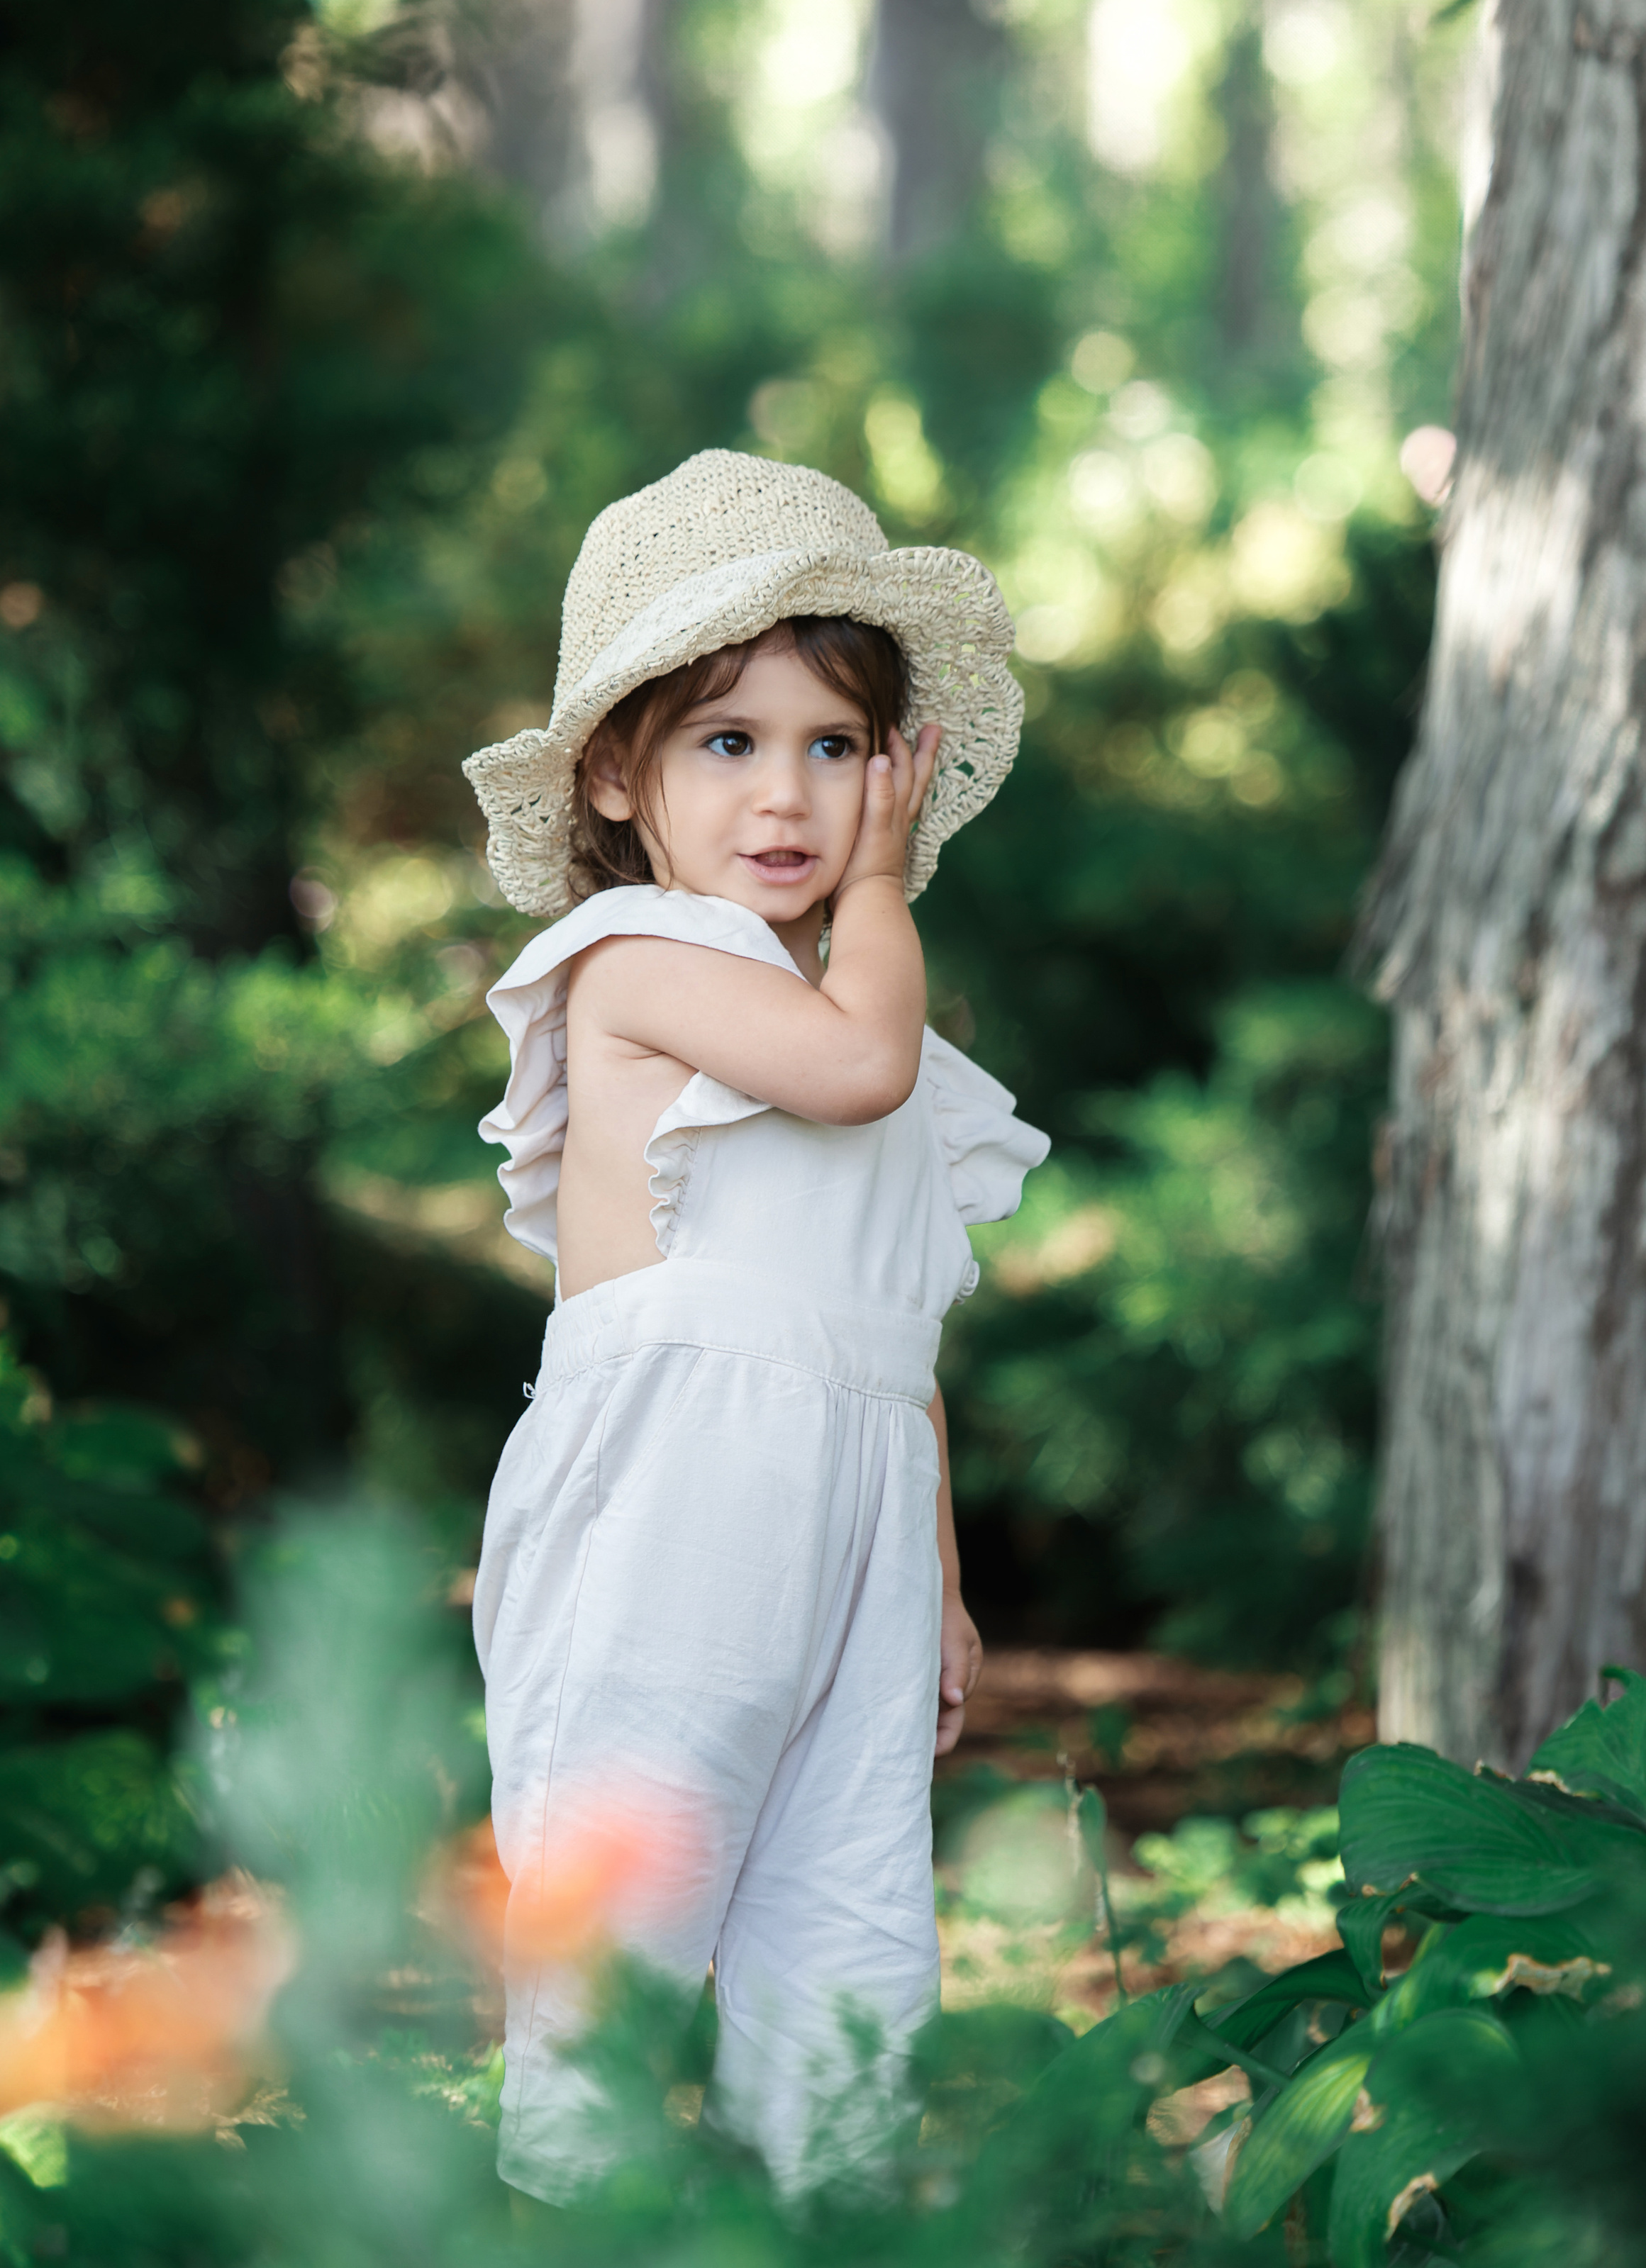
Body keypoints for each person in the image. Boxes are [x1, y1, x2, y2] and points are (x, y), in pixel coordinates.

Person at [464, 449, 1048, 2201]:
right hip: (674, 1507)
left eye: (835, 747)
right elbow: (854, 1068)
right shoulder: (626, 961)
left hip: (855, 1518)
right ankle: (578, 2219)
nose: (790, 796)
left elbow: (902, 1336)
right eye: (729, 740)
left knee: (845, 1918)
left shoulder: (863, 1016)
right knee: (624, 1909)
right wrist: (887, 881)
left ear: (890, 763)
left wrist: (936, 1579)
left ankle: (828, 2212)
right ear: (622, 777)